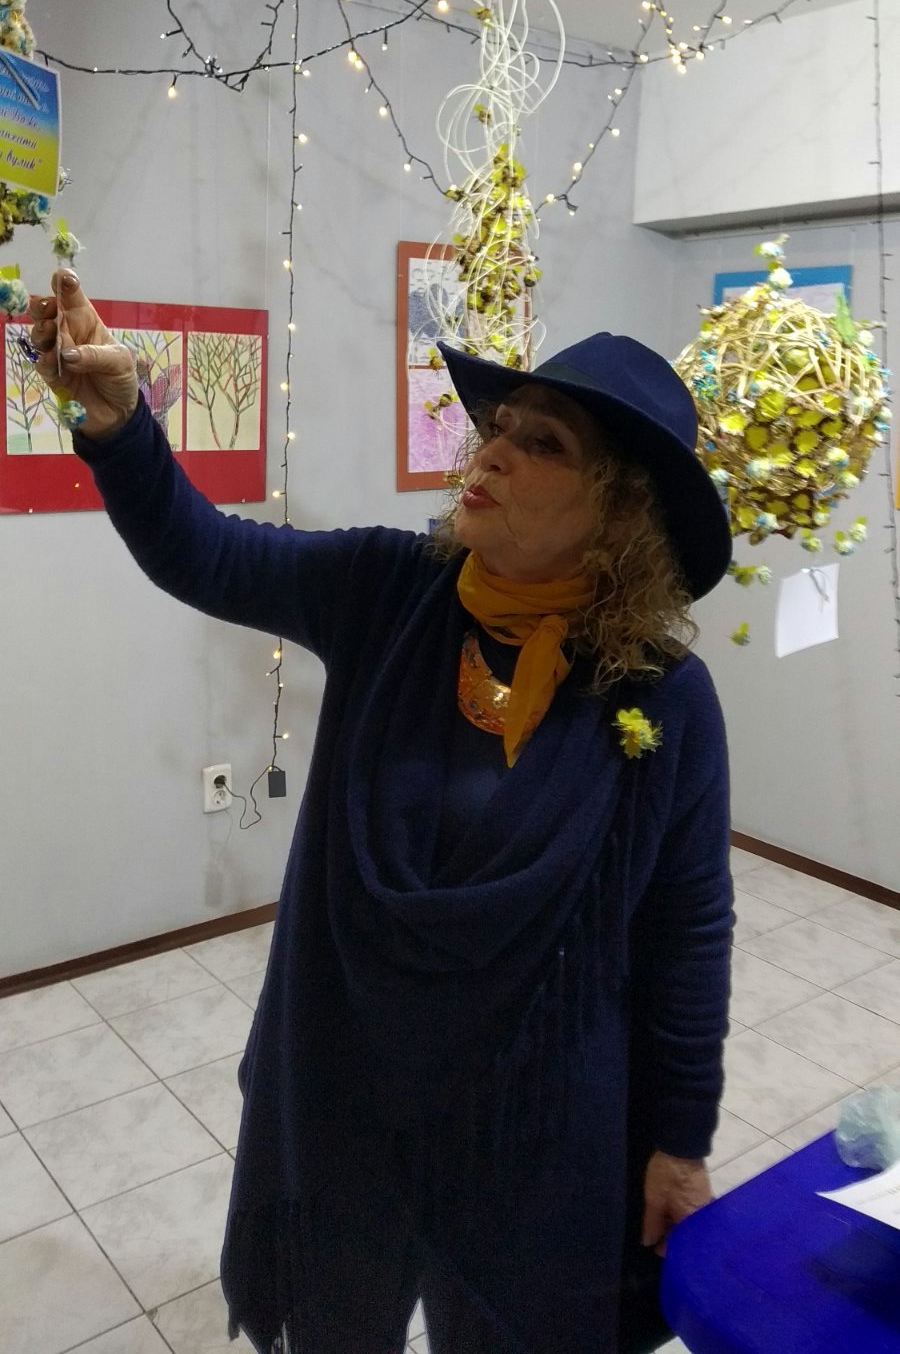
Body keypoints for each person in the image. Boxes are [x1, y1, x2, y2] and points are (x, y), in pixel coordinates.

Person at [27, 271, 735, 1354]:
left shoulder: (663, 698)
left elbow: (688, 930)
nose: (489, 454)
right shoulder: (390, 586)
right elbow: (205, 550)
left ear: (621, 513)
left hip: (532, 1123)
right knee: (335, 1324)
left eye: (543, 442)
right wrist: (121, 424)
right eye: (498, 427)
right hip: (345, 1084)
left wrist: (680, 1140)